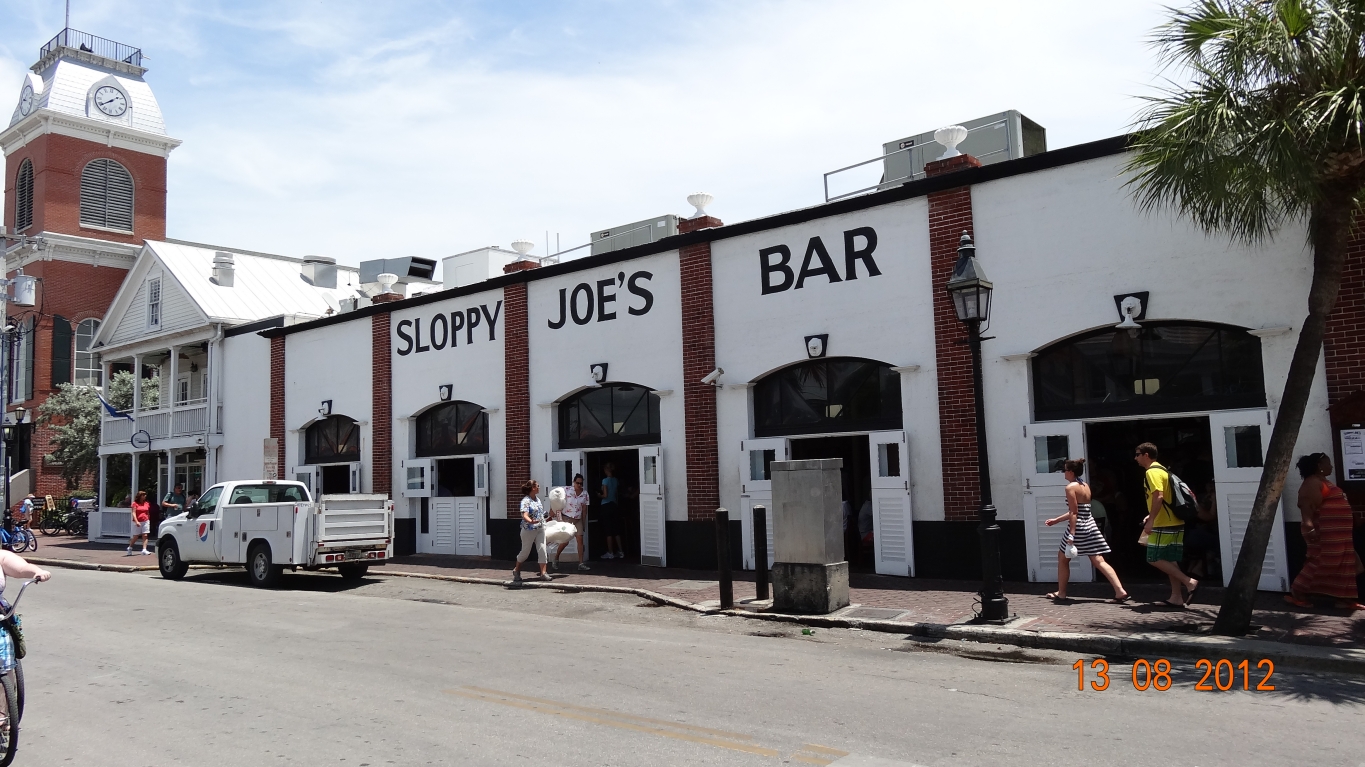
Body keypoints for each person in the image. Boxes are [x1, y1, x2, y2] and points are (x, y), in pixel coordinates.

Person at [1043, 459, 1129, 603]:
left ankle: (1061, 593)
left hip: (1078, 527)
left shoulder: (1070, 487)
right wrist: (1057, 520)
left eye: (1065, 470)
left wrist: (1072, 533)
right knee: (1098, 560)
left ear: (1071, 472)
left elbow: (1074, 512)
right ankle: (1120, 591)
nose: (1063, 473)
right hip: (1090, 525)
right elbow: (1081, 510)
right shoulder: (1085, 485)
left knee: (1063, 559)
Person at [1286, 453, 1365, 610]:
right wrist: (1309, 527)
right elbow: (1306, 507)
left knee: (1350, 565)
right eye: (1328, 463)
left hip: (1340, 535)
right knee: (1322, 563)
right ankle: (1298, 592)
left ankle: (1344, 599)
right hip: (1325, 534)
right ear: (1319, 466)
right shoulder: (1312, 483)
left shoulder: (1324, 482)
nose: (1331, 466)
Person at [1136, 443, 1198, 607]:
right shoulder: (1163, 470)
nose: (1135, 458)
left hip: (1163, 523)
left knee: (1153, 557)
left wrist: (1151, 520)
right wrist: (1151, 514)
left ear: (1146, 455)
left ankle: (1189, 582)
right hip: (1175, 521)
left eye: (1137, 454)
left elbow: (1159, 496)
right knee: (1170, 559)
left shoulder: (1152, 472)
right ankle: (1176, 597)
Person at [511, 480, 550, 584]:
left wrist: (546, 515)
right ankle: (516, 570)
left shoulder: (538, 500)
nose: (539, 488)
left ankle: (543, 573)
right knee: (525, 552)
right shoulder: (526, 501)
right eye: (537, 486)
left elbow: (539, 514)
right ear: (533, 488)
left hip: (540, 528)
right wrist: (531, 521)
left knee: (542, 549)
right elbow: (525, 515)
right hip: (529, 529)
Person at [552, 474, 591, 572]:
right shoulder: (566, 490)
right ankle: (556, 558)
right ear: (574, 482)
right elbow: (557, 500)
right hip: (567, 518)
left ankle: (581, 563)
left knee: (580, 540)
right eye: (577, 483)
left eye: (581, 483)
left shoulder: (585, 494)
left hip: (578, 519)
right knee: (565, 541)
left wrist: (583, 523)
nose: (579, 485)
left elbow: (584, 510)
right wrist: (554, 510)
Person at [599, 463, 625, 561]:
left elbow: (605, 495)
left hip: (606, 505)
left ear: (606, 470)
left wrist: (599, 495)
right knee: (616, 529)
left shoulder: (605, 480)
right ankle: (621, 551)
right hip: (614, 505)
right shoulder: (615, 480)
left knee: (608, 530)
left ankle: (610, 552)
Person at [127, 490, 152, 556]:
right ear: (140, 496)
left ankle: (144, 549)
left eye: (145, 495)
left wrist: (148, 519)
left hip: (145, 520)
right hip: (138, 521)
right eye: (143, 495)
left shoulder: (146, 503)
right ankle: (130, 547)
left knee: (145, 535)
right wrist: (136, 521)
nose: (145, 496)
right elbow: (134, 513)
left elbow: (147, 512)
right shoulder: (135, 503)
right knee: (136, 536)